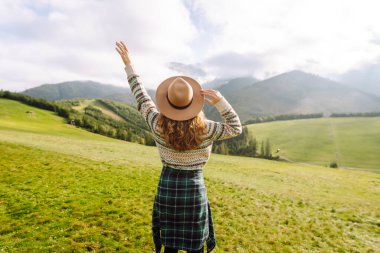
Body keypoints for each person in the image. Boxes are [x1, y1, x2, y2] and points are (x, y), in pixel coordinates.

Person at [115, 41, 242, 253]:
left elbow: (140, 95)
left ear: (167, 101)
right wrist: (220, 102)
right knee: (195, 246)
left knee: (170, 245)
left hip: (168, 187)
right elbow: (236, 128)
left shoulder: (156, 123)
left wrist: (129, 64)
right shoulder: (207, 129)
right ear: (193, 104)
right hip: (194, 189)